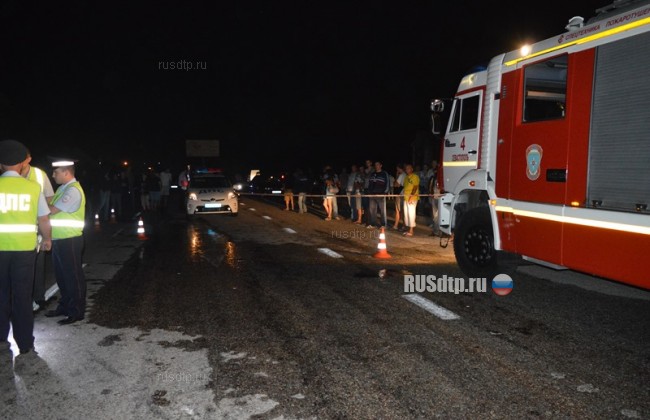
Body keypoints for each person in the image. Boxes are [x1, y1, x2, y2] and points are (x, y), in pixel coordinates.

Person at [0, 140, 52, 355]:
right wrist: (47, 239)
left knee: (1, 294)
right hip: (25, 250)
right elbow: (43, 219)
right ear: (22, 164)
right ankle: (25, 343)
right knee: (22, 296)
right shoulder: (33, 188)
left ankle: (1, 338)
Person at [45, 158, 86, 325]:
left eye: (56, 172)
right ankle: (64, 306)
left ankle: (76, 311)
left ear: (67, 172)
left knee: (73, 277)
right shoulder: (63, 188)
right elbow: (49, 202)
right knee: (62, 277)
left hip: (70, 239)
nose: (53, 175)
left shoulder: (73, 191)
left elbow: (51, 210)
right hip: (59, 239)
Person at [20, 150, 55, 310]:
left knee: (38, 263)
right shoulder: (9, 175)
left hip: (37, 226)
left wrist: (45, 225)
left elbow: (49, 198)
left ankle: (39, 296)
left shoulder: (40, 175)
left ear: (29, 159)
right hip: (17, 228)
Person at [366, 161, 390, 228]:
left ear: (381, 165)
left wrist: (385, 192)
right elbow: (370, 183)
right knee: (372, 210)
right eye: (375, 165)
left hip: (381, 194)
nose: (376, 166)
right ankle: (372, 224)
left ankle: (383, 224)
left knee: (382, 210)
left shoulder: (384, 173)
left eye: (378, 165)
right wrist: (369, 192)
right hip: (372, 195)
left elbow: (387, 183)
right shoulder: (373, 174)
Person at [402, 163, 420, 237]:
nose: (407, 170)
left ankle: (411, 230)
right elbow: (405, 187)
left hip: (412, 198)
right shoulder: (406, 177)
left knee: (411, 213)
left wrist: (411, 197)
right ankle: (408, 229)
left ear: (412, 169)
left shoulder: (415, 176)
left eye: (409, 168)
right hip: (405, 198)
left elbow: (415, 187)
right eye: (406, 168)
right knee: (406, 214)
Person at [392, 164, 405, 231]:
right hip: (403, 194)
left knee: (398, 210)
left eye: (397, 169)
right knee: (402, 210)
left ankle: (397, 225)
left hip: (400, 194)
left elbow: (396, 184)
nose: (397, 170)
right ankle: (401, 225)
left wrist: (396, 176)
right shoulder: (405, 175)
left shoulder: (401, 175)